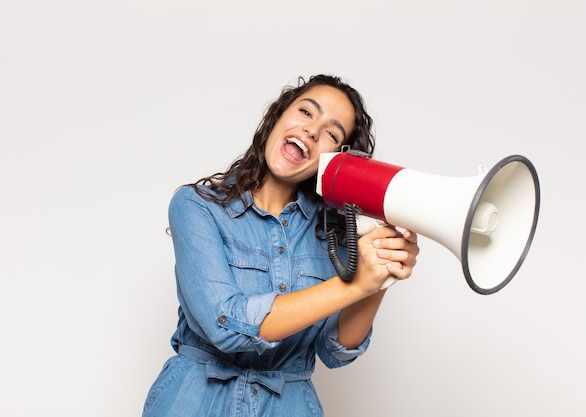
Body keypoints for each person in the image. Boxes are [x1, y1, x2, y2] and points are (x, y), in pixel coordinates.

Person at [142, 74, 420, 417]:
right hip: (195, 402)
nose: (313, 131)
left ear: (338, 160)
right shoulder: (197, 207)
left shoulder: (333, 232)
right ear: (277, 117)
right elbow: (225, 325)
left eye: (332, 133)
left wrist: (378, 278)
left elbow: (335, 351)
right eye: (306, 112)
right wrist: (355, 284)